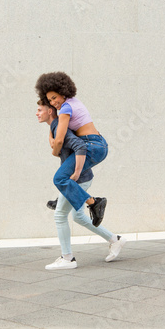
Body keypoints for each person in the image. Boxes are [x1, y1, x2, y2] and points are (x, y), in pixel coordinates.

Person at [36, 100, 126, 270]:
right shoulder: (55, 126)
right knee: (78, 216)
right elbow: (58, 150)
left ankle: (68, 258)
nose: (36, 113)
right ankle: (115, 239)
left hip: (79, 179)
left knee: (60, 215)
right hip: (81, 179)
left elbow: (79, 146)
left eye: (40, 110)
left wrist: (76, 173)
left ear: (50, 111)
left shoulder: (58, 125)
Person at [35, 72, 108, 227]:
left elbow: (60, 139)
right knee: (65, 173)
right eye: (49, 100)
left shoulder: (66, 108)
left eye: (54, 97)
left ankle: (95, 202)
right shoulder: (74, 102)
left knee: (59, 178)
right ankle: (65, 196)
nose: (53, 102)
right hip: (98, 143)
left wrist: (54, 151)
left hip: (91, 146)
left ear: (63, 92)